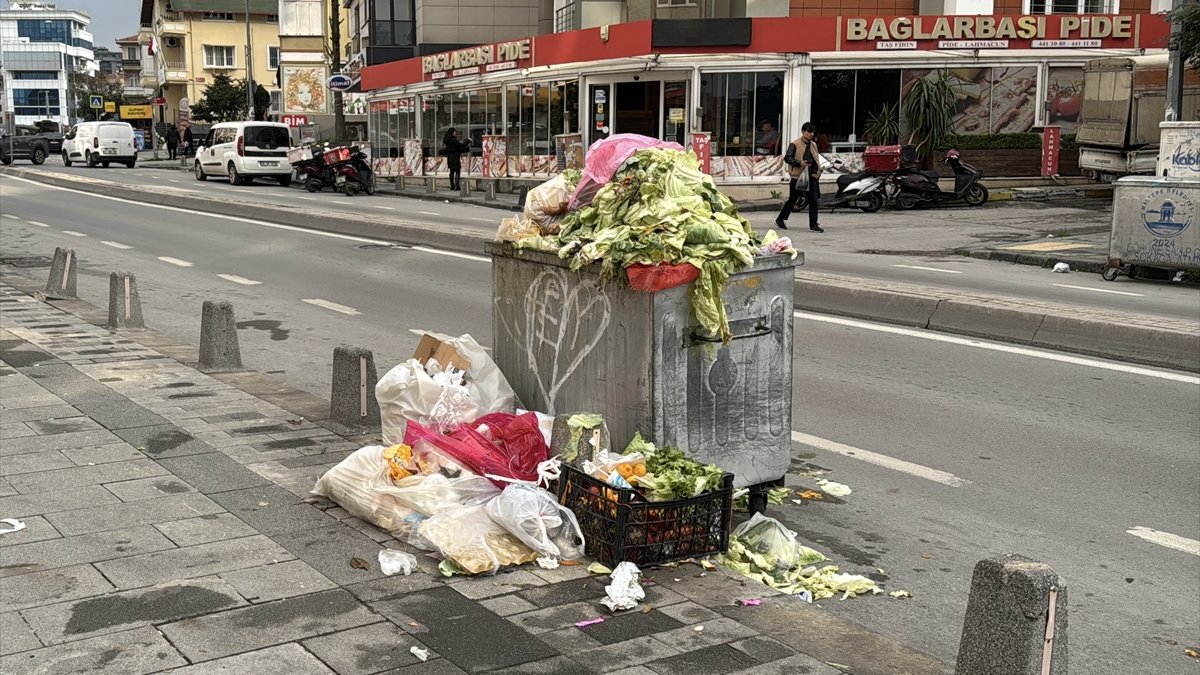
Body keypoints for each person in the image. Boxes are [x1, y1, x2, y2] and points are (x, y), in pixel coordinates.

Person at [776, 122, 824, 233]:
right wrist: (799, 163)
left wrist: (819, 169)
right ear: (803, 132)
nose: (810, 134)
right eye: (808, 131)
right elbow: (787, 158)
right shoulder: (795, 144)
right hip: (798, 176)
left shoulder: (813, 145)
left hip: (811, 176)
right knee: (793, 200)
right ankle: (780, 219)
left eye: (812, 132)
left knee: (813, 200)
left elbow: (816, 158)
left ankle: (813, 224)